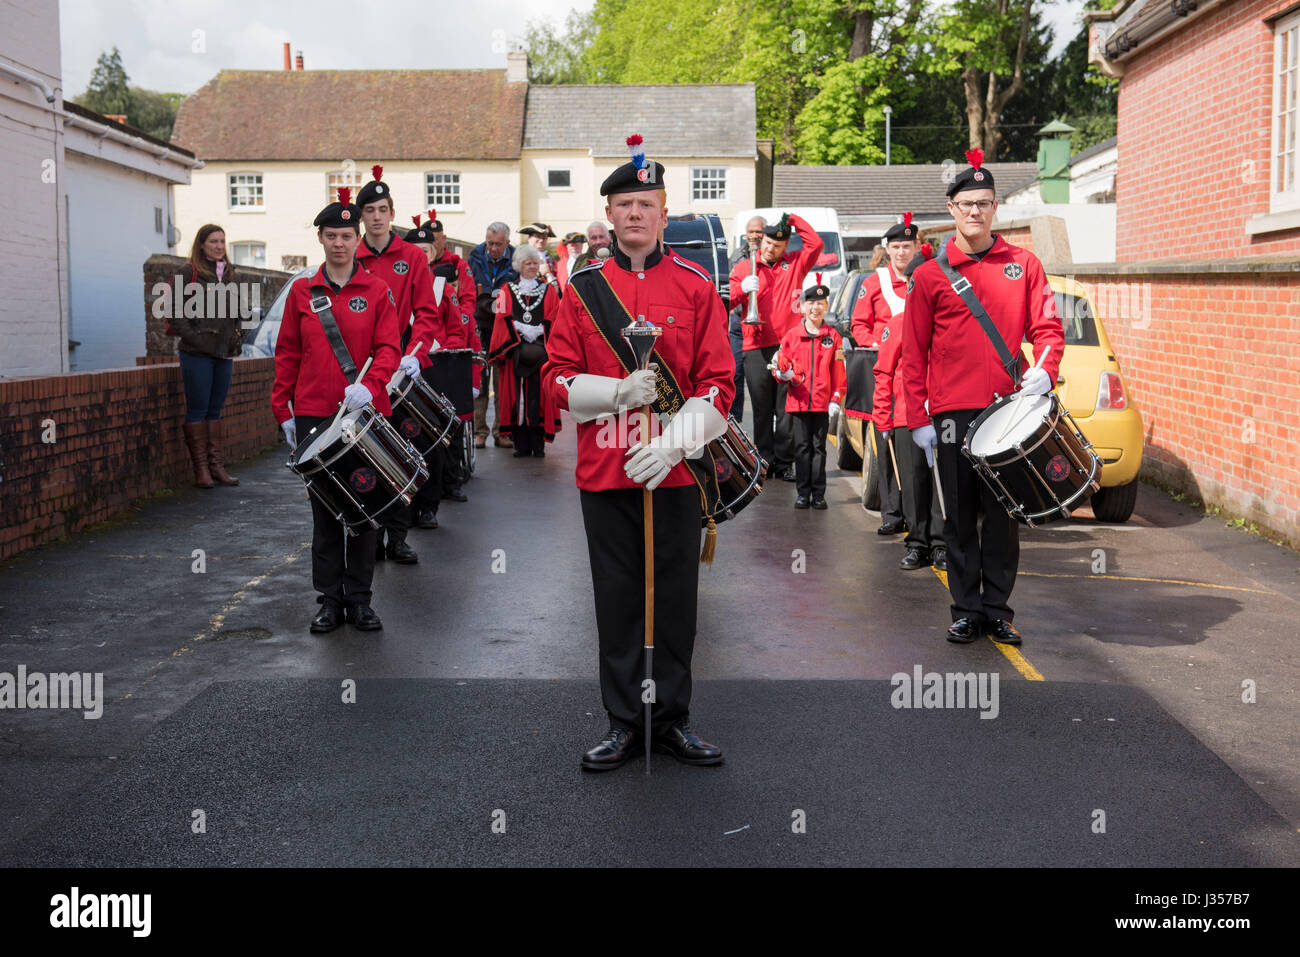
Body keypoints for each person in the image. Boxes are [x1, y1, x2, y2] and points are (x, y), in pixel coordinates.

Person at [541, 133, 735, 771]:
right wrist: (617, 391)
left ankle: (673, 720)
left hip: (677, 473)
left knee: (675, 600)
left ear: (663, 212)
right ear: (610, 214)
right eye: (623, 203)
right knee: (619, 599)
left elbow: (719, 384)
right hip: (607, 468)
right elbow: (556, 377)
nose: (634, 214)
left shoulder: (696, 286)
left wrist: (678, 443)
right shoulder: (581, 289)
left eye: (645, 203)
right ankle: (625, 723)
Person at [902, 150, 1064, 646]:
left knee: (1002, 519)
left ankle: (997, 610)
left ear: (995, 209)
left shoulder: (1025, 263)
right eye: (966, 203)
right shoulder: (929, 275)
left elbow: (1050, 330)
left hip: (1008, 412)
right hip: (952, 414)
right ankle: (966, 610)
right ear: (951, 209)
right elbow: (913, 352)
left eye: (985, 203)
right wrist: (918, 420)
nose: (975, 211)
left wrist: (1046, 371)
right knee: (959, 519)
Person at [271, 187, 401, 633]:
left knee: (364, 509)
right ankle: (329, 600)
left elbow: (389, 347)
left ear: (357, 237)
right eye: (331, 236)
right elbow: (287, 352)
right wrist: (283, 409)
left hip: (362, 414)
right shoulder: (302, 292)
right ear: (321, 240)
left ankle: (360, 600)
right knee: (325, 512)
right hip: (313, 414)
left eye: (347, 235)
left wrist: (371, 385)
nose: (340, 243)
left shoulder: (378, 290)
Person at [353, 166, 443, 565]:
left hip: (399, 365)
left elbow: (428, 314)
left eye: (383, 208)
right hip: (358, 372)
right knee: (363, 455)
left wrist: (415, 354)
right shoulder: (349, 254)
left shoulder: (411, 257)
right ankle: (368, 534)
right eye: (369, 209)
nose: (376, 216)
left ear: (392, 213)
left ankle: (399, 536)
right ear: (362, 216)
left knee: (401, 453)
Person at [728, 212, 822, 482]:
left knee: (786, 409)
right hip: (755, 344)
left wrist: (793, 220)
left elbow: (815, 244)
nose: (770, 248)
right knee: (761, 407)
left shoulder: (794, 264)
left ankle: (784, 461)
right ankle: (764, 459)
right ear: (763, 241)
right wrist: (742, 289)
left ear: (785, 246)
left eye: (777, 245)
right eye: (768, 243)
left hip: (787, 346)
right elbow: (729, 301)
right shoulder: (745, 267)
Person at [873, 246, 945, 570]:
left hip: (943, 413)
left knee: (941, 483)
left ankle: (942, 544)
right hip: (906, 415)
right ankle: (918, 543)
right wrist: (883, 418)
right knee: (914, 484)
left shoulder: (948, 321)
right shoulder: (898, 322)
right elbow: (884, 372)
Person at [401, 214, 470, 531]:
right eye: (415, 250)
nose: (420, 256)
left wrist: (442, 346)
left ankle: (428, 507)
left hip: (434, 369)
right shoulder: (394, 287)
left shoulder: (442, 288)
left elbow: (457, 333)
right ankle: (403, 509)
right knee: (403, 441)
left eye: (425, 251)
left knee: (432, 442)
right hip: (401, 372)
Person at [853, 214, 918, 535]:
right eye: (896, 247)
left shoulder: (926, 279)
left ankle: (916, 511)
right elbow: (859, 327)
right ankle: (892, 513)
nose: (902, 252)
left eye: (907, 246)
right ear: (887, 249)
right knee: (886, 444)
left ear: (917, 247)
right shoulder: (873, 283)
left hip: (918, 380)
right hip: (885, 377)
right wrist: (882, 347)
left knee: (916, 451)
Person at [171, 224, 243, 488]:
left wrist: (238, 336)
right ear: (201, 244)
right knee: (198, 410)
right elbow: (175, 315)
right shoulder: (187, 272)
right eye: (213, 241)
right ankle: (201, 470)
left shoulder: (232, 274)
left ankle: (216, 467)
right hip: (196, 354)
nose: (219, 246)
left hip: (223, 353)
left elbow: (240, 311)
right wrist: (198, 340)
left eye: (223, 241)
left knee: (215, 410)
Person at [423, 210, 480, 511]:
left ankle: (452, 479)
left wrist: (456, 338)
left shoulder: (458, 267)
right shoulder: (416, 273)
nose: (431, 245)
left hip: (449, 353)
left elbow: (465, 305)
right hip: (422, 356)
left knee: (453, 421)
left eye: (434, 241)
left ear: (443, 239)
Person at [773, 274, 844, 509]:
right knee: (802, 449)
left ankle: (819, 494)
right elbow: (780, 365)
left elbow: (838, 371)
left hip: (823, 403)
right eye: (811, 303)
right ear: (802, 306)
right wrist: (783, 375)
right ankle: (803, 493)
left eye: (820, 303)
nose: (815, 307)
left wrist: (836, 398)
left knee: (819, 449)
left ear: (826, 306)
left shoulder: (833, 337)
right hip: (799, 403)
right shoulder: (792, 336)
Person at [488, 245, 561, 457]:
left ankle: (538, 445)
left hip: (540, 353)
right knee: (515, 399)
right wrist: (517, 330)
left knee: (539, 398)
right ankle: (520, 444)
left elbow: (556, 318)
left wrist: (540, 329)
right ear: (519, 266)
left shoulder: (548, 290)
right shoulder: (507, 289)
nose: (531, 266)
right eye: (527, 263)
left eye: (534, 263)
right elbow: (501, 317)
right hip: (515, 353)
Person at [468, 222, 517, 448]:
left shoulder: (516, 259)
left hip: (504, 326)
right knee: (480, 378)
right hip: (481, 323)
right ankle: (480, 432)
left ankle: (501, 431)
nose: (493, 248)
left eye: (498, 244)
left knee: (502, 381)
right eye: (490, 243)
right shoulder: (475, 256)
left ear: (507, 242)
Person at [725, 216, 765, 420]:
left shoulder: (769, 254)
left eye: (759, 231)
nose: (755, 236)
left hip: (762, 328)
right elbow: (728, 291)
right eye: (751, 232)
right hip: (739, 325)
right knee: (735, 375)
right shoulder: (737, 256)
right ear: (745, 234)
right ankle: (736, 421)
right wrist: (741, 289)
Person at [519, 222, 558, 289]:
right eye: (538, 237)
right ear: (529, 238)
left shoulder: (551, 260)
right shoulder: (521, 258)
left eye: (544, 238)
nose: (541, 240)